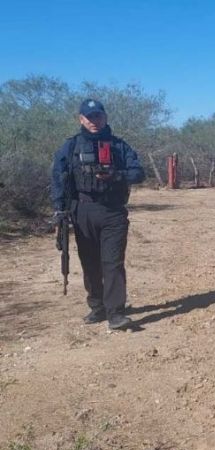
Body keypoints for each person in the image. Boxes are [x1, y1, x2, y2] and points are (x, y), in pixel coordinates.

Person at [50, 99, 146, 330]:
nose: (94, 121)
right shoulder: (70, 147)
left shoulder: (119, 146)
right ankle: (97, 306)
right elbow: (58, 179)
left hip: (113, 211)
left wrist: (116, 174)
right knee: (90, 262)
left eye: (98, 116)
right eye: (89, 117)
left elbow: (139, 173)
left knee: (112, 262)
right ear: (81, 119)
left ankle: (116, 312)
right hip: (82, 210)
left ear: (105, 117)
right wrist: (59, 210)